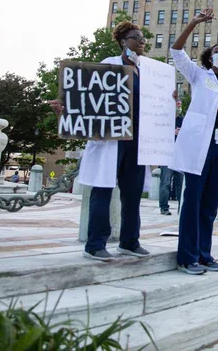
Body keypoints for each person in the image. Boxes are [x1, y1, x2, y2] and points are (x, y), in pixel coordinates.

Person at [52, 21, 154, 262]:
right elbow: (87, 95)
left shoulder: (147, 71)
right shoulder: (110, 65)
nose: (141, 41)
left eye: (143, 39)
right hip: (111, 138)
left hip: (137, 140)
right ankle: (95, 243)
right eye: (135, 37)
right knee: (103, 190)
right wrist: (67, 111)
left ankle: (130, 241)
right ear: (122, 42)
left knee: (133, 193)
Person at [171, 8, 218, 275]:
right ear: (210, 57)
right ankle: (187, 257)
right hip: (197, 148)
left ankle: (204, 254)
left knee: (210, 204)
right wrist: (194, 22)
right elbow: (177, 52)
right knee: (192, 202)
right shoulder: (198, 75)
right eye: (217, 50)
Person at [159, 97, 185, 215]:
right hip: (167, 155)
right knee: (165, 182)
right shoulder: (165, 119)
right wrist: (172, 133)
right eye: (177, 104)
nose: (179, 107)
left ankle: (181, 207)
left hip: (179, 155)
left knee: (180, 183)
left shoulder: (182, 119)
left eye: (180, 105)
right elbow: (159, 134)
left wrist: (182, 132)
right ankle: (164, 207)